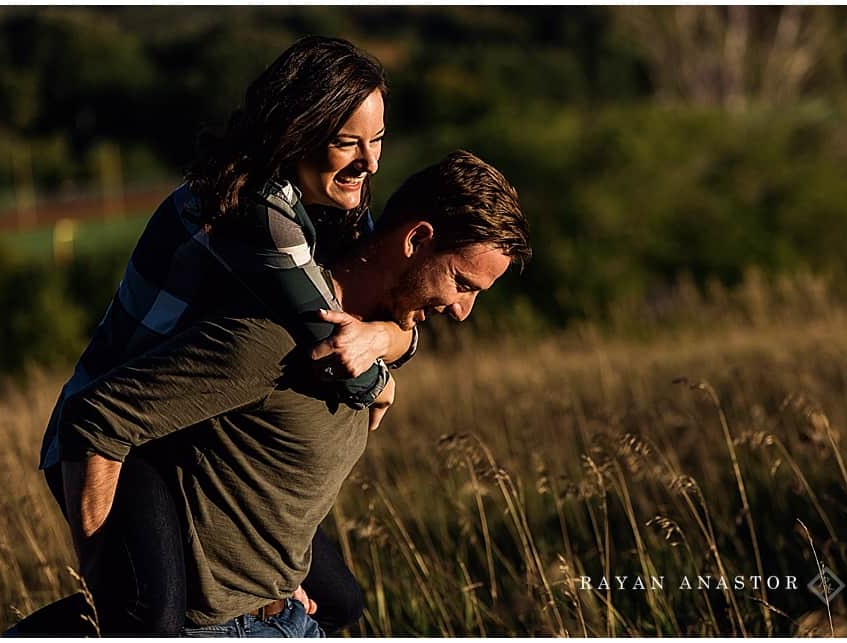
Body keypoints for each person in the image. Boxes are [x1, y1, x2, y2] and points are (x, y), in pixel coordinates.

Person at [28, 36, 415, 635]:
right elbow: (341, 346)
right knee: (151, 618)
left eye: (379, 138)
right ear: (297, 133)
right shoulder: (253, 208)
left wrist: (392, 340)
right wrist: (382, 371)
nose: (370, 162)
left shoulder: (337, 203)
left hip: (193, 429)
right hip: (120, 432)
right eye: (347, 142)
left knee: (338, 603)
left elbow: (368, 333)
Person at [55, 151, 532, 636]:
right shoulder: (275, 339)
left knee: (345, 602)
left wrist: (389, 344)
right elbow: (95, 417)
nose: (462, 311)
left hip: (289, 616)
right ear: (417, 239)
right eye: (462, 284)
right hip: (218, 627)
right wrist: (104, 582)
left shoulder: (373, 336)